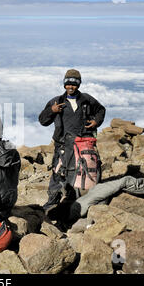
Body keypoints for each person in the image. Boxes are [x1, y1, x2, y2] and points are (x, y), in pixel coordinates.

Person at [38, 69, 105, 218]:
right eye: (68, 83)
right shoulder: (56, 101)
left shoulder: (87, 100)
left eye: (74, 84)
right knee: (58, 173)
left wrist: (96, 122)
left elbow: (101, 110)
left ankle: (76, 204)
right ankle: (51, 205)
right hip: (63, 145)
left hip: (82, 144)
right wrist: (52, 110)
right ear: (64, 84)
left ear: (79, 85)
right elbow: (42, 120)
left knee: (80, 171)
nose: (71, 87)